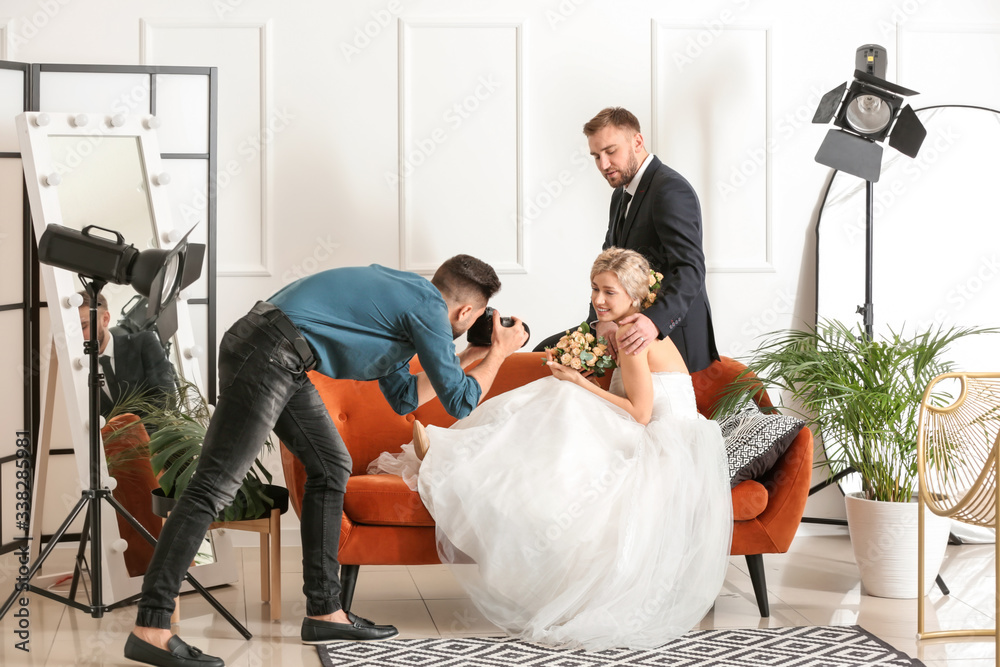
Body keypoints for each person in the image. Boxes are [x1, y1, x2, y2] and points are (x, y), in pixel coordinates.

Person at [124, 256, 528, 667]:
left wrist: (474, 356)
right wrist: (500, 353)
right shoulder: (429, 311)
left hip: (278, 352)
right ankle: (151, 627)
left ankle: (324, 612)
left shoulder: (405, 300)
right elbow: (461, 403)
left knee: (331, 466)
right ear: (466, 312)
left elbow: (406, 397)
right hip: (270, 353)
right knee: (213, 487)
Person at [371, 248, 732, 651]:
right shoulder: (630, 327)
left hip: (657, 445)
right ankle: (455, 451)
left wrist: (579, 382)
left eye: (609, 292)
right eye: (595, 289)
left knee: (565, 400)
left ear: (633, 295)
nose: (598, 300)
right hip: (654, 434)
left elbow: (641, 414)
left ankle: (453, 452)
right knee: (559, 402)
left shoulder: (633, 336)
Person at [535, 107, 719, 373]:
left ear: (637, 142)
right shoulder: (620, 195)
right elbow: (606, 270)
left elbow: (690, 270)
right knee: (545, 354)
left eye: (611, 151)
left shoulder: (670, 189)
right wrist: (600, 322)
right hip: (624, 322)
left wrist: (653, 322)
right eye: (596, 156)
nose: (603, 165)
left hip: (672, 332)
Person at [78, 290, 178, 421]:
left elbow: (166, 398)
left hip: (157, 438)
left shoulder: (144, 344)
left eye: (84, 326)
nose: (79, 335)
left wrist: (139, 435)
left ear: (105, 319)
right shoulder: (78, 368)